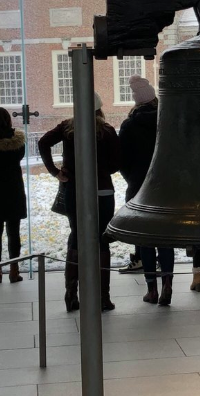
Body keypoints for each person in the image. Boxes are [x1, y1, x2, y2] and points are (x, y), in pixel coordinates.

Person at [39, 93, 120, 312]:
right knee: (102, 239)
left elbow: (43, 143)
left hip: (76, 191)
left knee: (76, 238)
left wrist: (56, 171)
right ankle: (103, 296)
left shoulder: (67, 128)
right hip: (102, 191)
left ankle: (71, 294)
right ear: (99, 109)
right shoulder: (108, 132)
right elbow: (115, 164)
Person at [119, 74, 174, 306]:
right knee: (165, 238)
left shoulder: (129, 125)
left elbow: (122, 160)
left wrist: (132, 177)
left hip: (139, 187)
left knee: (145, 239)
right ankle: (168, 284)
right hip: (166, 186)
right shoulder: (168, 121)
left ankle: (151, 289)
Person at [0, 108, 27, 284]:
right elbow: (20, 157)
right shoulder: (17, 142)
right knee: (13, 232)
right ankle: (14, 270)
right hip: (13, 190)